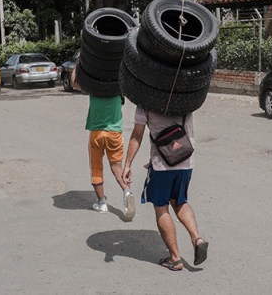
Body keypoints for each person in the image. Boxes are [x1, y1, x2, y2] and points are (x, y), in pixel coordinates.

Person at [122, 106, 208, 271]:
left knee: (161, 207)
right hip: (185, 161)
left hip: (162, 164)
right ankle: (197, 238)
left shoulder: (146, 102)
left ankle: (175, 259)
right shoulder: (186, 96)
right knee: (180, 201)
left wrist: (127, 165)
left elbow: (137, 135)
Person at [71, 64, 135, 220]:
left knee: (96, 167)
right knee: (116, 166)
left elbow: (74, 83)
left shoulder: (94, 88)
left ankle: (102, 203)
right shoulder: (119, 89)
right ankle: (126, 191)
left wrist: (78, 64)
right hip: (115, 133)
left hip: (97, 133)